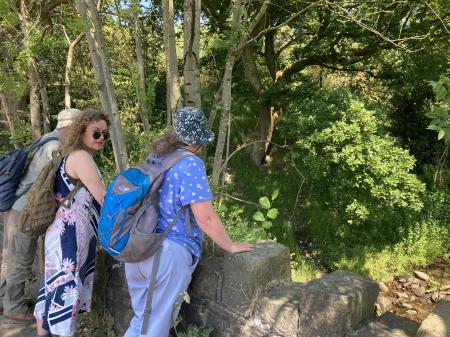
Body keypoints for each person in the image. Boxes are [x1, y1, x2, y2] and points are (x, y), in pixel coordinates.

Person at [123, 107, 255, 337]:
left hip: (139, 248)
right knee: (151, 330)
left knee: (142, 323)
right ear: (198, 140)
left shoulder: (156, 157)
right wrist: (230, 245)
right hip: (166, 254)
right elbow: (205, 216)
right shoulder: (190, 164)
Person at [0, 108, 82, 322]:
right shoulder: (55, 147)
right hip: (26, 211)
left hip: (17, 206)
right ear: (71, 126)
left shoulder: (46, 139)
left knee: (13, 258)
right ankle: (14, 308)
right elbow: (53, 182)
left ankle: (6, 299)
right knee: (21, 261)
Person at [34, 108, 109, 337]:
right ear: (81, 131)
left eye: (105, 134)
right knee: (67, 286)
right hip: (70, 235)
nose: (101, 138)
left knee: (53, 284)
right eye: (96, 133)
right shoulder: (81, 157)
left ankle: (42, 334)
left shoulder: (71, 155)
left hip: (63, 232)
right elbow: (103, 198)